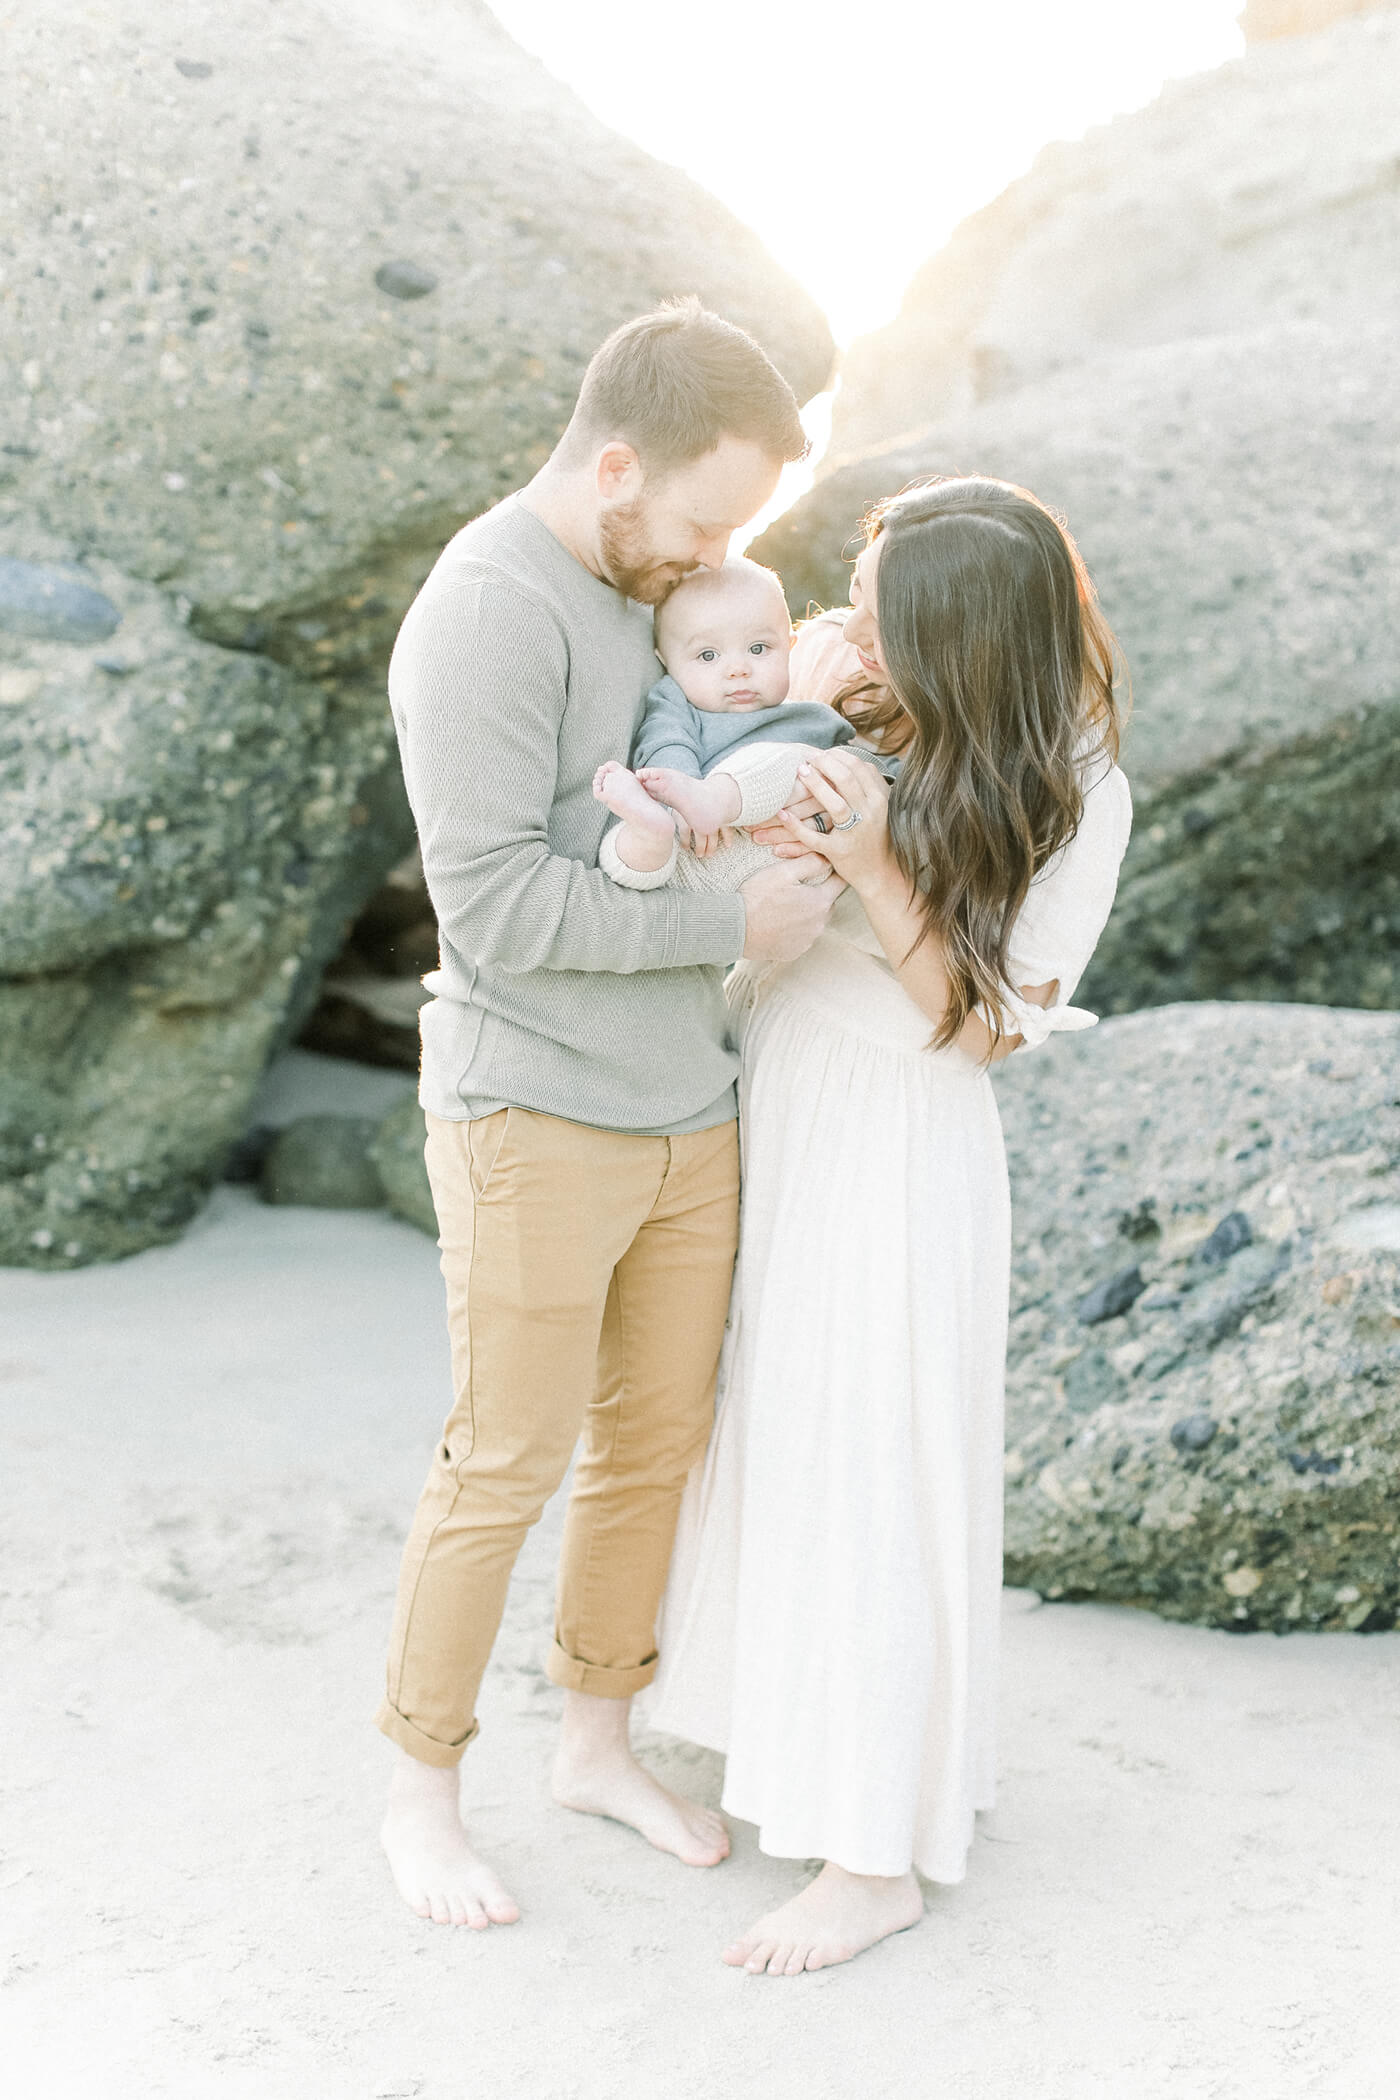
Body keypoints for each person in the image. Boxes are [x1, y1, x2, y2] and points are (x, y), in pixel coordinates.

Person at [376, 301, 842, 1931]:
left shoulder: (652, 587)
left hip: (685, 1106)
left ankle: (594, 1741)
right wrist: (735, 929)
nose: (716, 558)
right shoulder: (487, 612)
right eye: (707, 521)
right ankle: (422, 1792)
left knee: (655, 1445)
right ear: (620, 464)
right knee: (503, 1459)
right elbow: (492, 908)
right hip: (533, 1107)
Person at [647, 475, 1134, 1975]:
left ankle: (873, 1858)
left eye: (873, 609)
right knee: (775, 1425)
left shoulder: (1078, 782)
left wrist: (871, 861)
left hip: (899, 1124)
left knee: (871, 1455)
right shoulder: (862, 700)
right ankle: (774, 1731)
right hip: (784, 1081)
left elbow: (981, 1031)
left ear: (959, 641)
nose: (838, 622)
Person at [593, 555, 862, 892]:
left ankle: (711, 801)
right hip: (691, 853)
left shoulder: (813, 719)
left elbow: (869, 774)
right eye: (708, 655)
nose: (738, 669)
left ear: (789, 650)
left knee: (794, 759)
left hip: (775, 855)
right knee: (621, 854)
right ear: (666, 660)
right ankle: (651, 832)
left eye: (758, 648)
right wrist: (683, 795)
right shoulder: (677, 704)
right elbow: (665, 741)